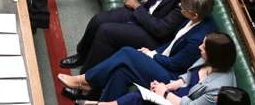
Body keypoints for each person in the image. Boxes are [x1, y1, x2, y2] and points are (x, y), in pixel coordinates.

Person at [62, 0, 209, 74]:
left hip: (154, 34)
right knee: (98, 20)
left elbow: (161, 30)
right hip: (147, 9)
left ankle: (87, 80)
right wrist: (149, 2)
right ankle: (82, 55)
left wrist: (137, 7)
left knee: (106, 31)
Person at [68, 29, 237, 105]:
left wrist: (164, 93)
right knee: (121, 71)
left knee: (137, 96)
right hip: (175, 90)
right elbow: (187, 76)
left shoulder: (219, 88)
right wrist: (169, 85)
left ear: (215, 54)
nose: (200, 48)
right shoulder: (207, 60)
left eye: (205, 47)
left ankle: (91, 90)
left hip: (180, 101)